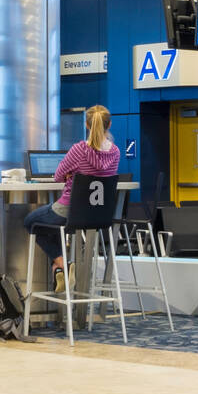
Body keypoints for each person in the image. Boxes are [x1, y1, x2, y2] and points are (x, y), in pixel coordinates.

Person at [22, 104, 119, 293]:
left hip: (69, 210)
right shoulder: (115, 152)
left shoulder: (79, 149)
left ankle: (62, 264)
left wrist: (70, 175)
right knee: (54, 228)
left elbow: (58, 175)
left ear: (87, 125)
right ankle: (60, 268)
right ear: (110, 125)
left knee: (31, 222)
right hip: (99, 214)